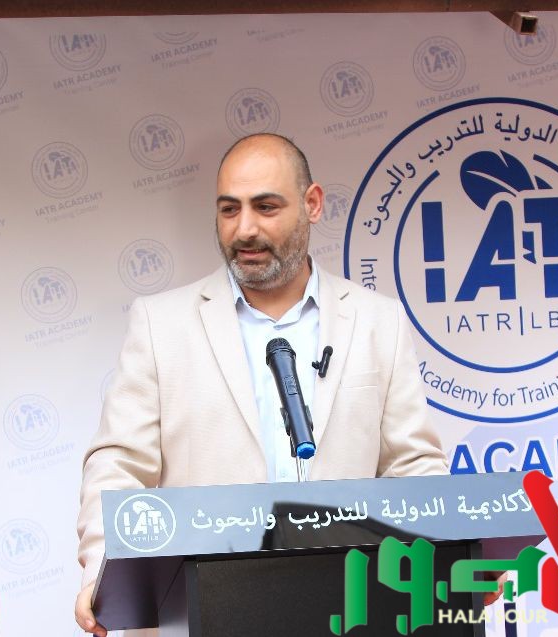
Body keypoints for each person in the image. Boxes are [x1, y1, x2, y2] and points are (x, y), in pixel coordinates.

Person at [75, 133, 449, 636]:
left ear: (312, 204)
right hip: (202, 612)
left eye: (265, 207)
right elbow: (118, 467)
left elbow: (413, 466)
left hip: (349, 613)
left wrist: (454, 560)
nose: (244, 229)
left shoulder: (379, 321)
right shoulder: (160, 324)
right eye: (229, 209)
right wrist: (103, 571)